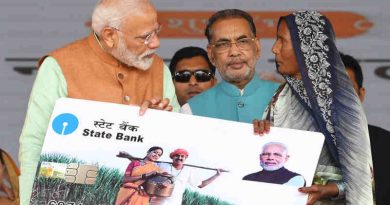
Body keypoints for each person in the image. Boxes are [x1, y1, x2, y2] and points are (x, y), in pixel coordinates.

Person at [18, 0, 179, 204]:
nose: (156, 43)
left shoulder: (159, 69)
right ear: (110, 36)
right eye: (145, 37)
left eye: (156, 32)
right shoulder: (59, 66)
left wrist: (164, 122)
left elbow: (174, 141)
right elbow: (34, 144)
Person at [253, 11, 373, 204]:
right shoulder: (281, 94)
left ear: (305, 48)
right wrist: (262, 131)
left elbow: (362, 180)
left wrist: (332, 189)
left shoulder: (341, 99)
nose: (274, 49)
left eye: (281, 41)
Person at [180, 9, 279, 123]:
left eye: (242, 41)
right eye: (223, 44)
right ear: (211, 54)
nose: (234, 52)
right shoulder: (190, 111)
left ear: (257, 47)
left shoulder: (287, 99)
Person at [341, 52, 390, 205]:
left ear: (361, 95)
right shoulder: (296, 143)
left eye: (347, 89)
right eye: (328, 89)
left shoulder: (386, 145)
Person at [153, 148, 222, 205]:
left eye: (182, 156)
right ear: (173, 157)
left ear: (185, 158)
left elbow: (201, 185)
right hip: (156, 202)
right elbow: (148, 169)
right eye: (177, 155)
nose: (179, 158)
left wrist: (217, 175)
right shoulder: (162, 165)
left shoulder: (188, 170)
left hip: (174, 203)